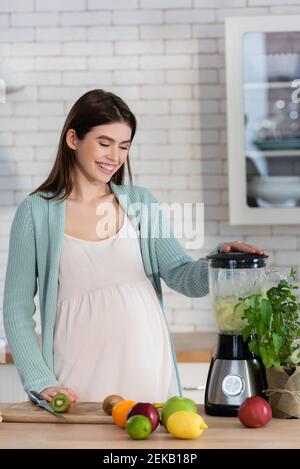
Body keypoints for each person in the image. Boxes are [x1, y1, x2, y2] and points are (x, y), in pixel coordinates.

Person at [3, 89, 266, 404]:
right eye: (104, 143)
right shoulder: (36, 211)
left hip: (148, 369)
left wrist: (219, 260)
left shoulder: (139, 202)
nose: (114, 156)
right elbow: (16, 308)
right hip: (75, 376)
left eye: (123, 146)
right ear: (73, 139)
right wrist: (40, 380)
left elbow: (182, 276)